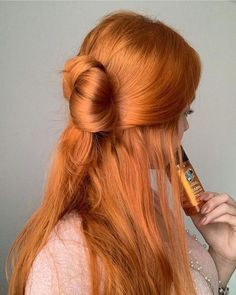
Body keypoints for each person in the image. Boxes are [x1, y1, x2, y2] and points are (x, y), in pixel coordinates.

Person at [6, 10, 236, 295]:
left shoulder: (153, 212)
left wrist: (224, 258)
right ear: (143, 121)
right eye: (183, 112)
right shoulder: (65, 260)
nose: (186, 126)